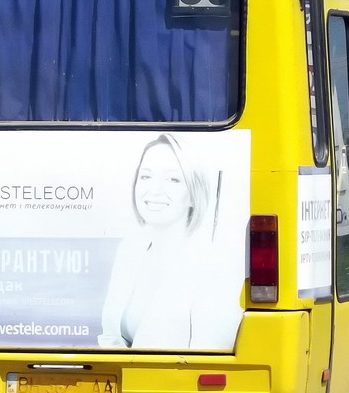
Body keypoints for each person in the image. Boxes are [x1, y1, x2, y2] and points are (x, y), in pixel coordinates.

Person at [98, 133, 242, 350]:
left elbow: (211, 356)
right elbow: (110, 337)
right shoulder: (129, 251)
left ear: (194, 194)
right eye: (146, 176)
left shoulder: (214, 266)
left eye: (173, 179)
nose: (154, 190)